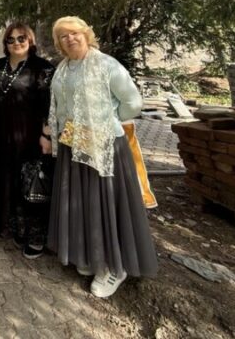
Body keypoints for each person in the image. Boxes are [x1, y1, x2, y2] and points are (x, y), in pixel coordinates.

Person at [47, 16, 158, 298]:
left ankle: (114, 268)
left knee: (106, 202)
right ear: (59, 43)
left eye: (74, 33)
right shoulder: (63, 68)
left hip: (104, 145)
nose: (70, 39)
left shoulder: (107, 65)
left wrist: (107, 120)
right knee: (84, 202)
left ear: (86, 34)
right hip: (73, 143)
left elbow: (133, 102)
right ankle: (90, 256)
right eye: (63, 36)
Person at [0, 22, 54, 259]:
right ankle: (18, 229)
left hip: (31, 137)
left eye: (21, 38)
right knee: (13, 184)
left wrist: (46, 135)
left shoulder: (42, 68)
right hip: (3, 137)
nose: (16, 43)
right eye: (11, 39)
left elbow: (50, 105)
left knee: (33, 185)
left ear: (30, 40)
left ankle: (36, 237)